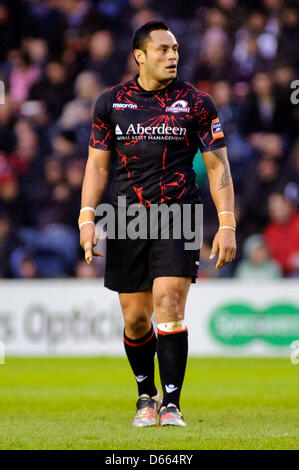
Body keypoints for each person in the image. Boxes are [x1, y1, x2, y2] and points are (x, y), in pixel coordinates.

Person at [79, 21, 236, 427]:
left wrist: (227, 223)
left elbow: (218, 163)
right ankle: (144, 396)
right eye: (163, 50)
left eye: (176, 49)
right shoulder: (110, 103)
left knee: (169, 302)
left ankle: (171, 404)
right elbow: (97, 165)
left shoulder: (197, 103)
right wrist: (87, 217)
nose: (173, 56)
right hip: (127, 216)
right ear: (140, 56)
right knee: (135, 318)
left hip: (178, 214)